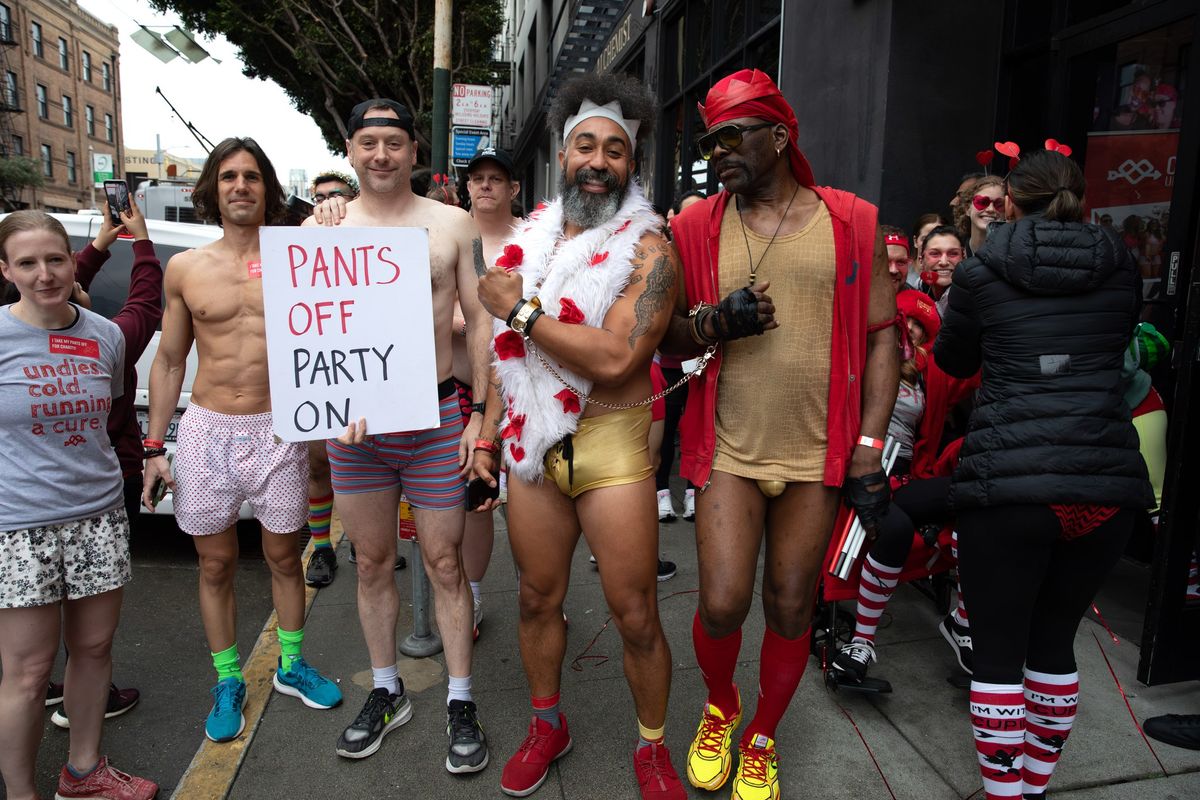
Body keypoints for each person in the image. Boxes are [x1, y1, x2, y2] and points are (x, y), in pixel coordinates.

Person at [662, 68, 898, 799]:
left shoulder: (850, 220)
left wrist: (868, 445)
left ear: (780, 136)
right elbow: (664, 337)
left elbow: (885, 337)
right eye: (709, 140)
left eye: (732, 136)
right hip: (728, 446)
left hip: (816, 455)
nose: (717, 153)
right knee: (724, 601)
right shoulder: (694, 225)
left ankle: (762, 734)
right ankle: (722, 707)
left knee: (793, 603)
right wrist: (712, 321)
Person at [470, 72, 687, 799]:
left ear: (633, 166)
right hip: (534, 448)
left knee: (634, 613)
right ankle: (546, 723)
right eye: (585, 145)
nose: (598, 160)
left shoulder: (650, 250)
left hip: (612, 449)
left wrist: (521, 312)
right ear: (563, 157)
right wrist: (488, 428)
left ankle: (652, 747)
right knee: (536, 597)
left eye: (615, 151)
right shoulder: (528, 239)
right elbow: (509, 362)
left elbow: (620, 357)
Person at [933, 149, 1154, 800]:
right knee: (1055, 646)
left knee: (997, 654)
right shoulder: (1120, 264)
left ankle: (1007, 796)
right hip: (1103, 482)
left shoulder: (983, 270)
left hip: (1011, 482)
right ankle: (1032, 788)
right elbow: (1112, 345)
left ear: (1011, 201)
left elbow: (953, 357)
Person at [309, 98, 494, 772]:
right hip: (357, 432)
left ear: (414, 151)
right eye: (367, 142)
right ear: (351, 151)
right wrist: (325, 407)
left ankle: (460, 698)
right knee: (371, 563)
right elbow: (308, 332)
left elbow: (479, 323)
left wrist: (479, 414)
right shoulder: (322, 228)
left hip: (438, 418)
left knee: (446, 564)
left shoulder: (452, 224)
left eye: (393, 142)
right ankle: (387, 689)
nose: (380, 154)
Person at [142, 137, 342, 745]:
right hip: (207, 429)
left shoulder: (300, 256)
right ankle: (228, 677)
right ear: (211, 188)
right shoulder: (186, 268)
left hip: (279, 426)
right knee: (216, 562)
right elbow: (171, 360)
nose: (240, 186)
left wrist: (336, 214)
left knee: (285, 558)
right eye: (228, 176)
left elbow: (352, 305)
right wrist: (154, 449)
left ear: (268, 188)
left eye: (252, 176)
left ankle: (290, 664)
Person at [0, 211, 158, 800]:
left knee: (93, 650)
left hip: (98, 515)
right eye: (28, 263)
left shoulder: (104, 335)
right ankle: (20, 792)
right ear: (7, 270)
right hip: (18, 527)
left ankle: (84, 773)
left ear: (75, 260)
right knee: (28, 672)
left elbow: (111, 415)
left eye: (56, 259)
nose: (45, 274)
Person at [46, 198, 159, 730]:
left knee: (35, 608)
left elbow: (53, 286)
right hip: (105, 486)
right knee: (90, 611)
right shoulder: (107, 341)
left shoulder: (19, 340)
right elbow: (145, 301)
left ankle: (48, 683)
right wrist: (137, 243)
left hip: (28, 502)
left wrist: (95, 247)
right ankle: (83, 695)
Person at [458, 147, 523, 635]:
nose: (485, 186)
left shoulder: (536, 240)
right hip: (463, 390)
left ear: (512, 188)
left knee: (531, 498)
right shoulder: (449, 237)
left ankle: (539, 590)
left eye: (495, 179)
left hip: (527, 391)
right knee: (475, 497)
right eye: (477, 178)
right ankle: (474, 596)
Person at [304, 170, 361, 587]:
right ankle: (322, 546)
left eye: (336, 195)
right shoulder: (302, 242)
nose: (327, 202)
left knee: (371, 463)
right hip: (322, 378)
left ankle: (364, 540)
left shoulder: (375, 238)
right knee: (318, 467)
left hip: (368, 372)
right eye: (319, 196)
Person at [918, 225, 967, 316]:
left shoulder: (975, 300)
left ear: (963, 258)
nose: (944, 262)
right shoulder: (916, 291)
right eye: (935, 254)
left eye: (953, 254)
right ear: (921, 261)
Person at [959, 175, 1005, 256]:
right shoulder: (956, 253)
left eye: (999, 204)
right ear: (967, 208)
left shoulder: (1013, 255)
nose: (990, 209)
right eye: (983, 202)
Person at [882, 224, 912, 293]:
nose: (893, 270)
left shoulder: (918, 301)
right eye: (885, 262)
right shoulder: (856, 300)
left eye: (901, 262)